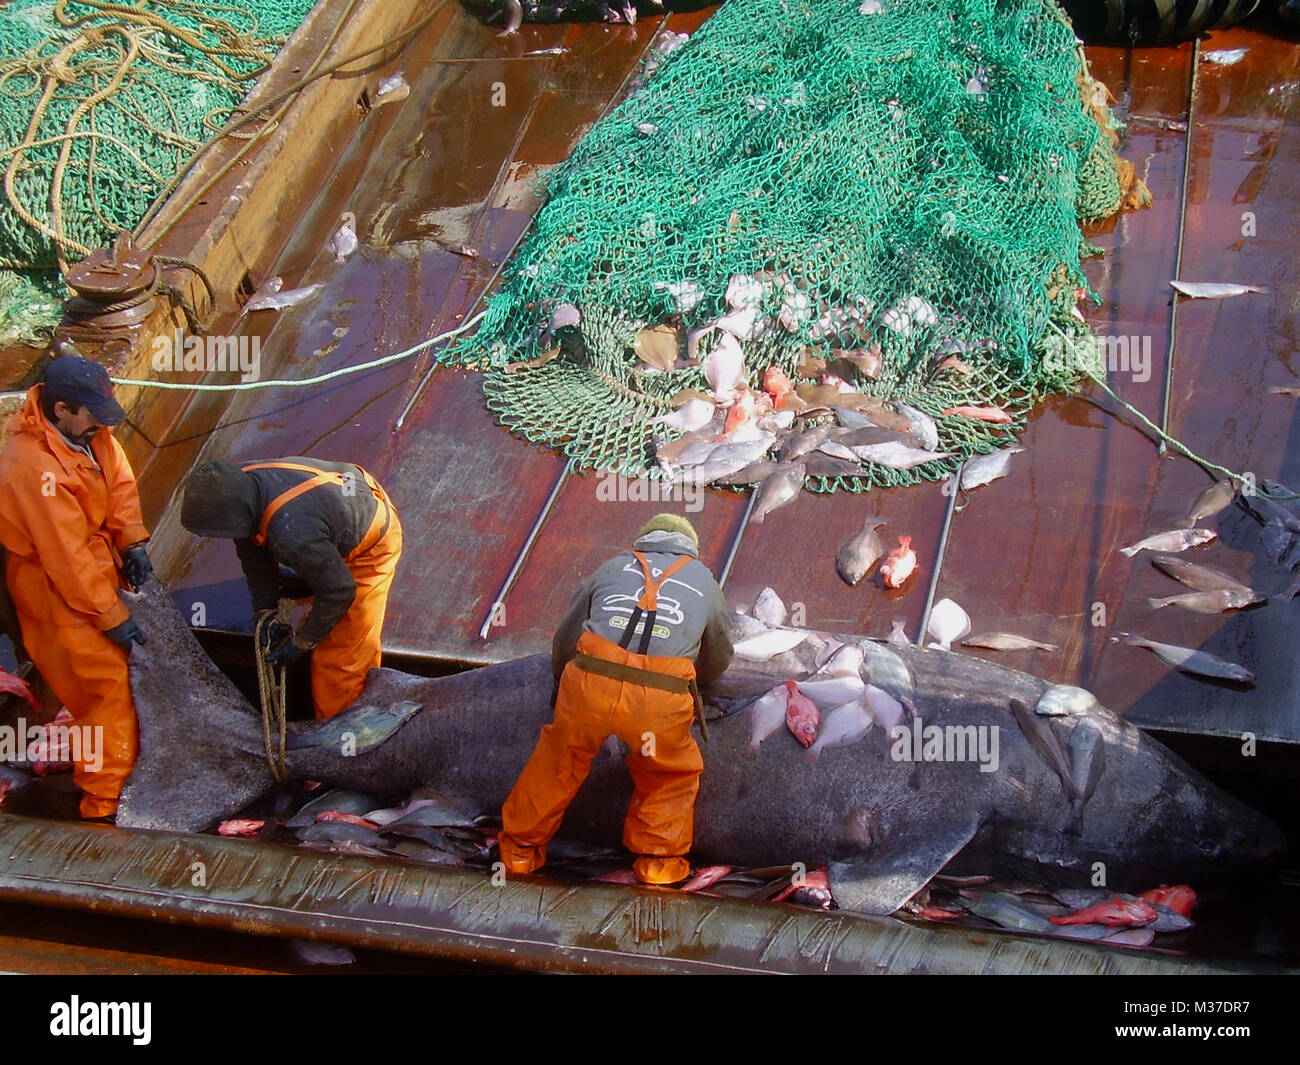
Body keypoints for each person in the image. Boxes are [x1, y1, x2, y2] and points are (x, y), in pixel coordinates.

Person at [498, 513, 733, 885]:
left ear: (644, 540)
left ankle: (517, 855)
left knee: (559, 760)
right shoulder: (705, 581)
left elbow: (567, 637)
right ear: (690, 548)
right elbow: (718, 652)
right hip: (659, 698)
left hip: (590, 683)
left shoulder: (612, 566)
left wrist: (561, 684)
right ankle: (658, 868)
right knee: (667, 773)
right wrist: (700, 684)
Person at [0, 354, 152, 821]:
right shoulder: (31, 468)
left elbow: (119, 480)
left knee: (116, 686)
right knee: (106, 691)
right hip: (53, 589)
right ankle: (104, 804)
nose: (103, 429)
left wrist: (133, 541)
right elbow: (64, 558)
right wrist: (112, 618)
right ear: (61, 408)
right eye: (94, 418)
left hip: (97, 565)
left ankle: (122, 777)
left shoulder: (90, 432)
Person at [179, 457, 401, 719]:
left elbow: (341, 591)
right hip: (332, 506)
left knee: (339, 659)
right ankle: (320, 566)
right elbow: (252, 553)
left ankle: (344, 732)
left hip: (369, 541)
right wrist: (266, 612)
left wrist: (301, 642)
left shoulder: (292, 536)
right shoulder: (242, 484)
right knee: (310, 564)